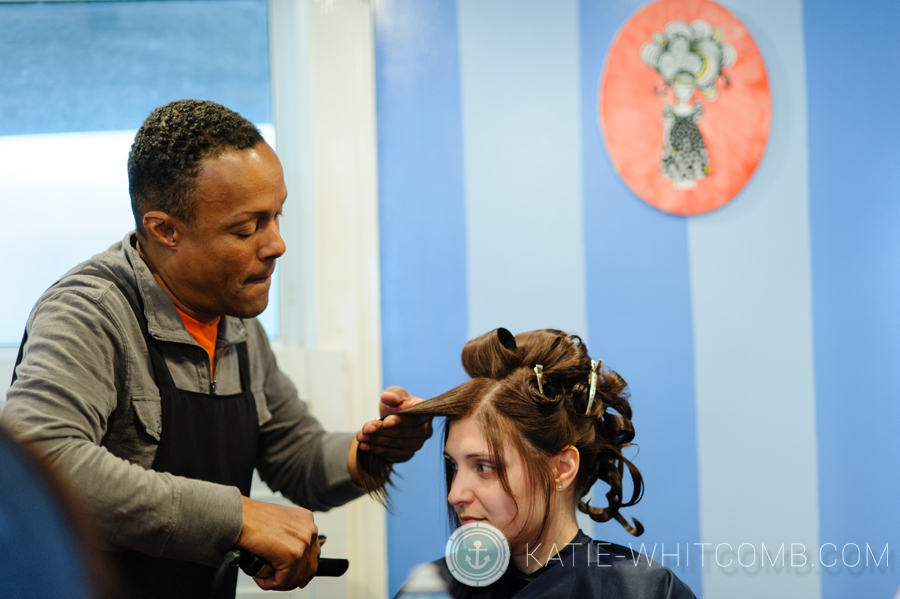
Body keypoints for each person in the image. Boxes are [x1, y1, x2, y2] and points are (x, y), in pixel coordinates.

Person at [0, 99, 430, 598]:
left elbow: (298, 457)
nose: (276, 245)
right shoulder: (89, 314)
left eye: (277, 217)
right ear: (165, 229)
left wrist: (371, 453)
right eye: (246, 228)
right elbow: (44, 463)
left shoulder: (237, 323)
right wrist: (239, 517)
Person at [358, 328, 696, 599]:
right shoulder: (433, 588)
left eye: (484, 467)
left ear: (562, 468)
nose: (456, 494)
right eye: (454, 466)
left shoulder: (643, 591)